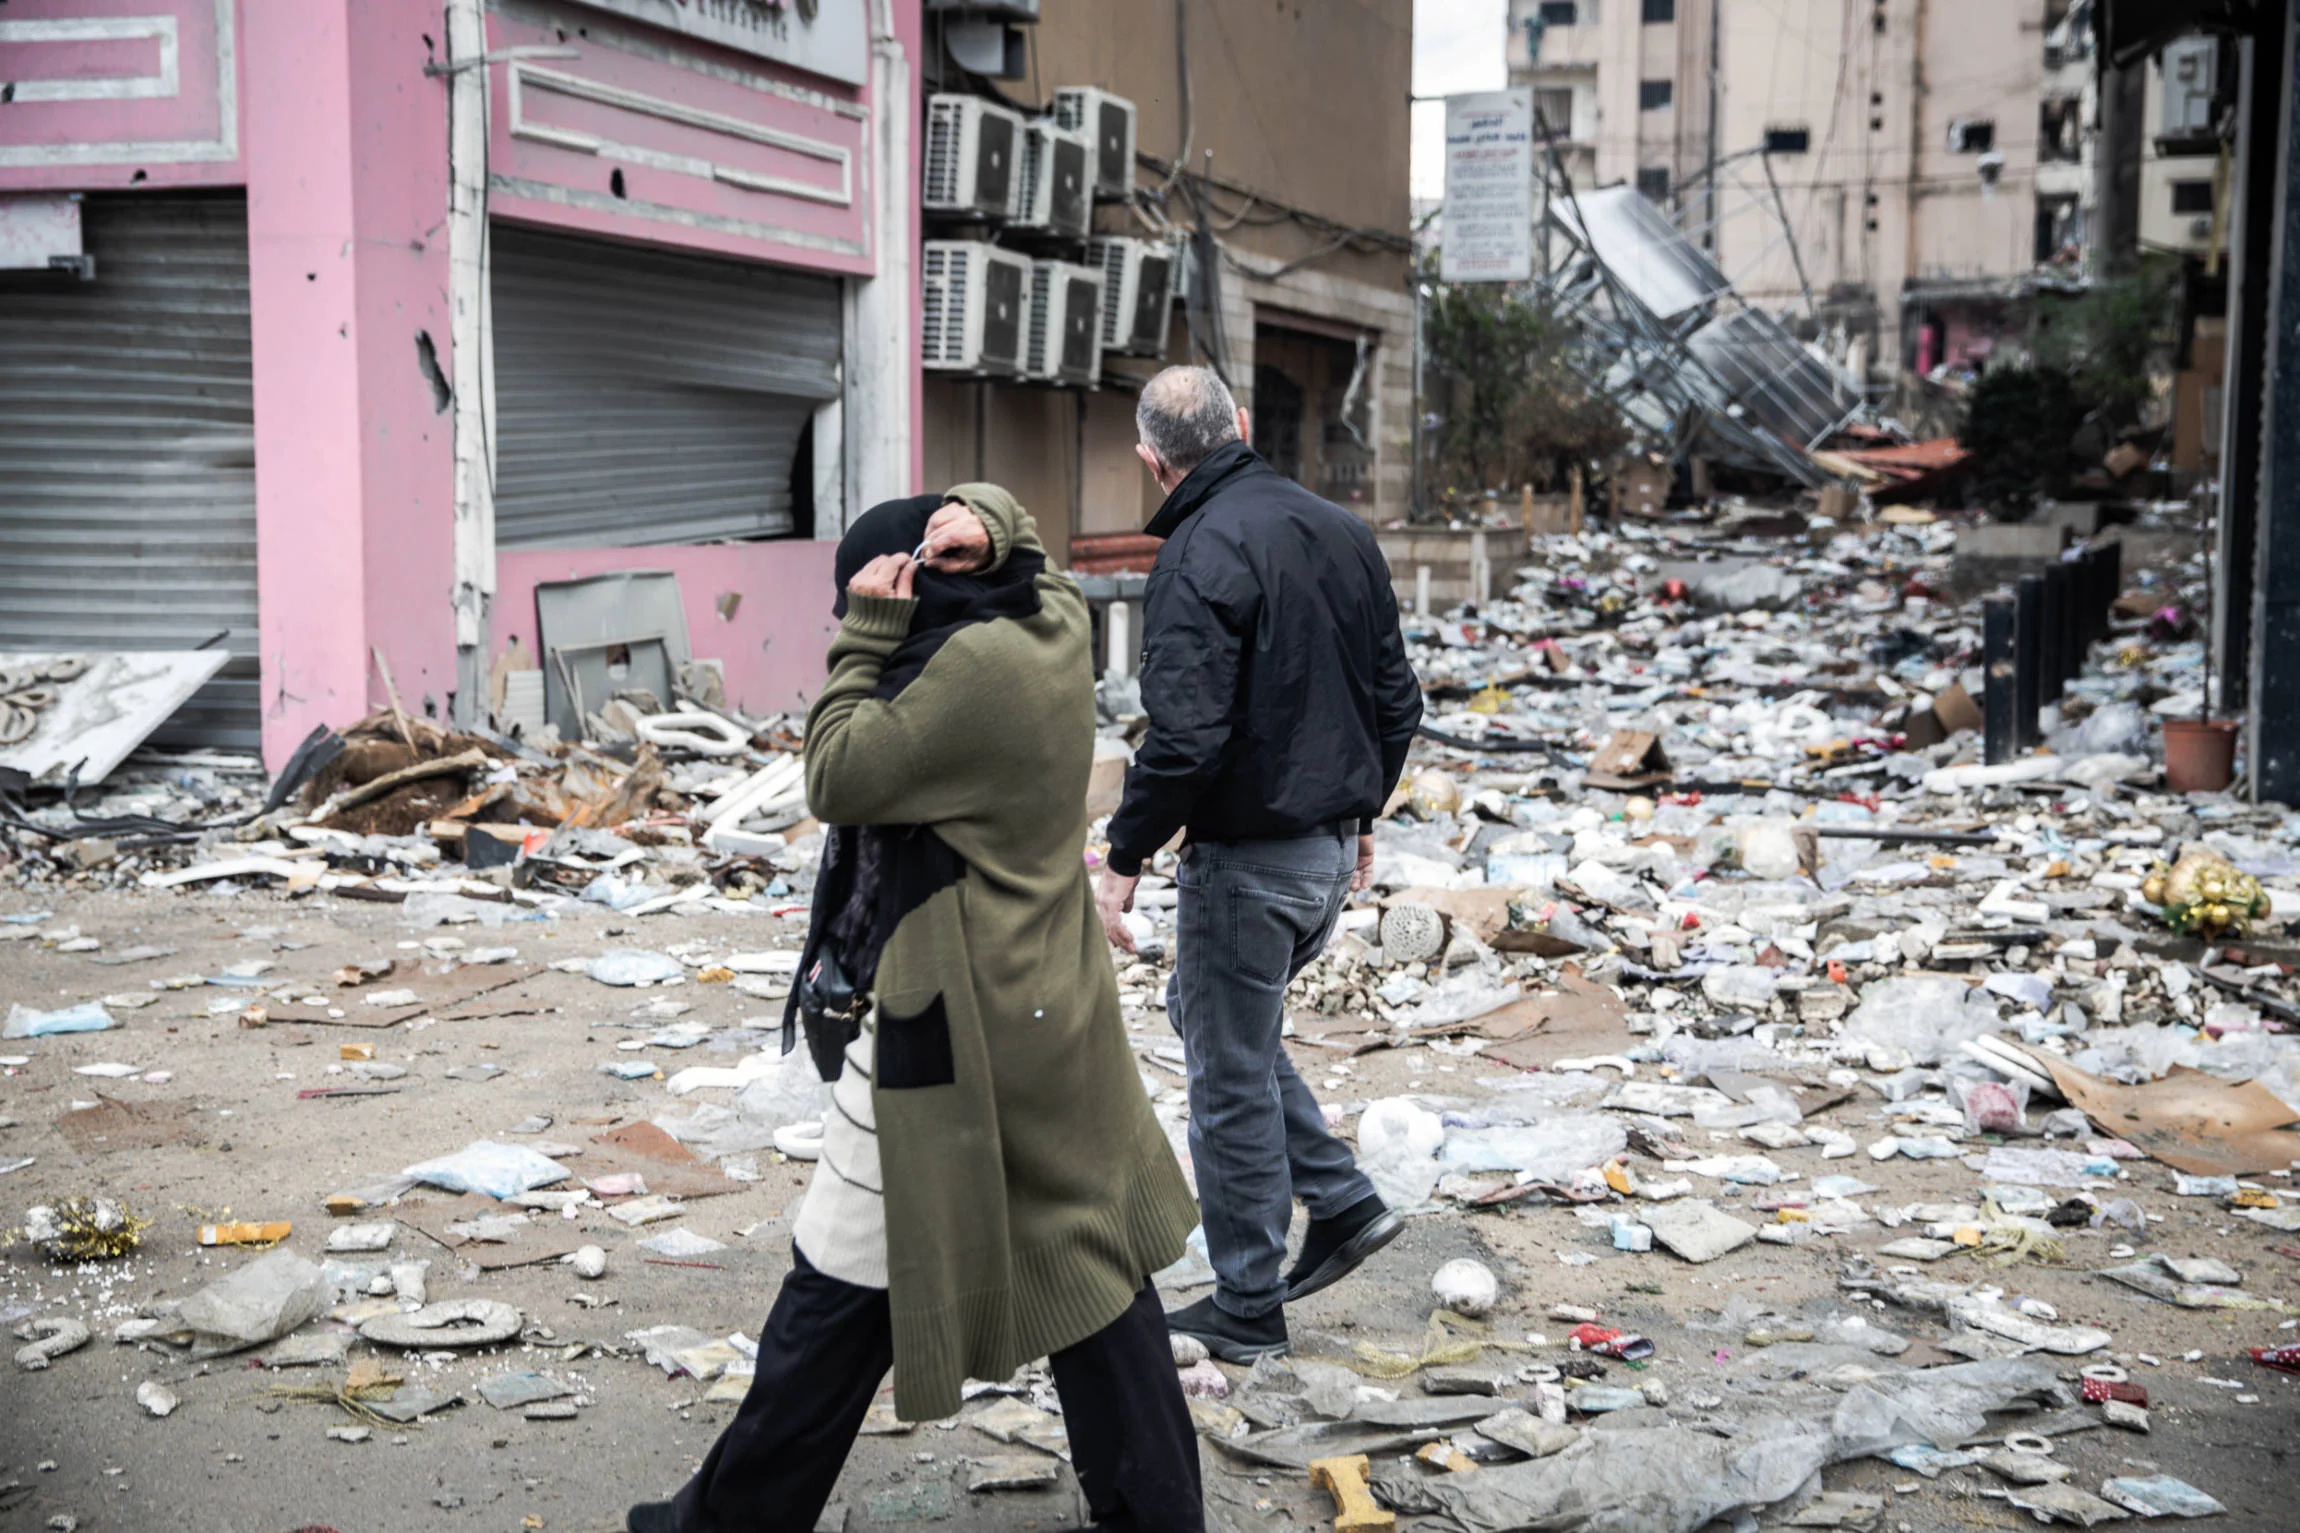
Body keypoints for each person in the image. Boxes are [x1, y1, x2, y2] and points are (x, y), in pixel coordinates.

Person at [628, 485, 1204, 1533]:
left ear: (916, 583)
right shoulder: (1044, 620)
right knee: (1086, 1267)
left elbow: (836, 772)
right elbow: (1029, 547)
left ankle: (721, 1523)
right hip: (1043, 996)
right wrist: (983, 516)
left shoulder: (964, 676)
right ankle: (1158, 1515)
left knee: (836, 1283)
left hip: (954, 1019)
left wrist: (864, 635)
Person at [1095, 366, 1423, 1363]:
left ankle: (1245, 1303)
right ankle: (1340, 1201)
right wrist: (1359, 814)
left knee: (1225, 1074)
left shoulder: (1196, 550)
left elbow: (1184, 739)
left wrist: (1123, 855)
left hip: (1250, 863)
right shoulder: (1340, 530)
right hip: (1323, 857)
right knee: (1213, 1020)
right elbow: (1395, 703)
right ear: (1239, 425)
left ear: (1152, 463)